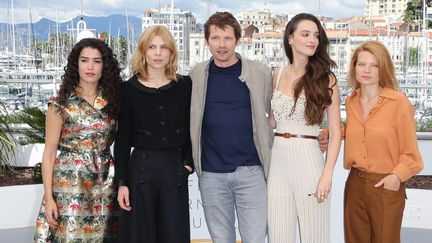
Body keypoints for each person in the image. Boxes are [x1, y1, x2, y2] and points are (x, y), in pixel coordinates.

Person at [189, 12, 273, 243]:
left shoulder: (261, 73)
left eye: (227, 38)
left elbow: (277, 113)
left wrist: (317, 134)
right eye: (215, 38)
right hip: (211, 175)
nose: (222, 45)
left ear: (238, 40)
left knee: (255, 239)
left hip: (252, 172)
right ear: (207, 41)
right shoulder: (196, 75)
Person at [34, 38, 122, 242]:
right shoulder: (59, 104)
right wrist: (49, 198)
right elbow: (48, 154)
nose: (90, 66)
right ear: (76, 64)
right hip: (69, 186)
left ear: (104, 66)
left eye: (97, 61)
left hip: (105, 183)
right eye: (84, 60)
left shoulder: (113, 102)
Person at [114, 25, 193, 243]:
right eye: (152, 47)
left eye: (163, 47)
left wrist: (188, 163)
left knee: (174, 235)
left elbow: (192, 126)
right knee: (141, 235)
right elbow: (121, 140)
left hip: (174, 170)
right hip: (140, 170)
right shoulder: (128, 89)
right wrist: (122, 182)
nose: (158, 53)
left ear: (171, 53)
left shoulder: (185, 85)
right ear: (143, 51)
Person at [267, 13, 342, 243]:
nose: (312, 40)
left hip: (309, 161)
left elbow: (336, 131)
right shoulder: (277, 75)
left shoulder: (326, 79)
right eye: (306, 34)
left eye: (316, 36)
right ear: (290, 38)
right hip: (278, 161)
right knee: (279, 236)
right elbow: (271, 121)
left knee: (314, 236)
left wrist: (327, 175)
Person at [343, 40, 424, 243]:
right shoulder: (351, 101)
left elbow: (412, 155)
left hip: (386, 184)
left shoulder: (399, 103)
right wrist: (330, 133)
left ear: (383, 68)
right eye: (361, 64)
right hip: (355, 183)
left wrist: (396, 177)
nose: (367, 70)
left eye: (374, 65)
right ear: (354, 67)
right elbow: (360, 132)